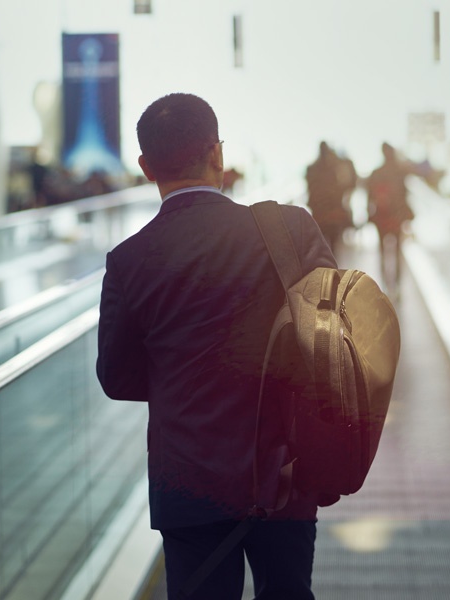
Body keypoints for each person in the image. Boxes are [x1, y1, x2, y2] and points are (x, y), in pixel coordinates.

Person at [96, 93, 335, 599]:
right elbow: (333, 339)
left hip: (188, 479)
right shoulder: (289, 230)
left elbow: (116, 379)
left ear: (145, 167)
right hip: (282, 470)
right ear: (217, 154)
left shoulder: (128, 260)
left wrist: (182, 381)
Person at [366, 142, 414, 294]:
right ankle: (397, 285)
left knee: (382, 251)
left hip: (381, 217)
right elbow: (405, 194)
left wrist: (370, 213)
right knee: (397, 251)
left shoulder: (376, 173)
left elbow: (370, 196)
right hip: (397, 218)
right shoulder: (400, 172)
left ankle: (384, 285)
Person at [305, 141, 353, 253]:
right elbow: (344, 187)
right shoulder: (334, 169)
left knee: (320, 246)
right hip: (332, 212)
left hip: (320, 212)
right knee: (333, 246)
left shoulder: (312, 169)